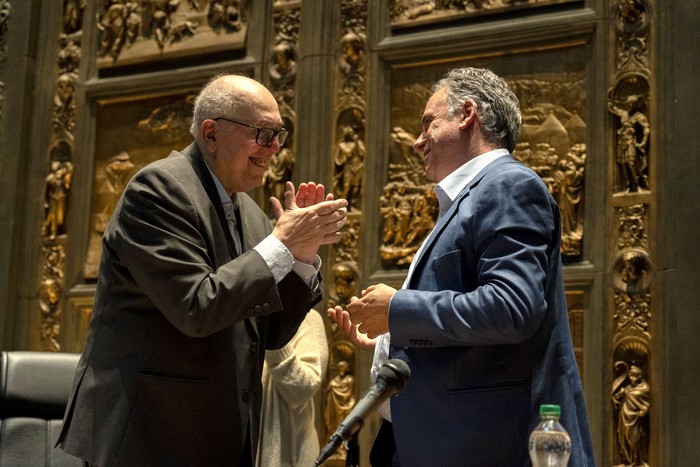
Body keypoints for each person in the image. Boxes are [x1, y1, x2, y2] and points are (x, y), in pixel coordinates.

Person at [56, 74, 348, 466]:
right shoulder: (159, 189)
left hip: (219, 437)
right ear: (211, 133)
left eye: (279, 134)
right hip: (148, 436)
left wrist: (301, 258)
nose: (275, 147)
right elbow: (197, 307)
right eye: (263, 133)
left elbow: (271, 334)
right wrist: (280, 246)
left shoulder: (252, 214)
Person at [329, 66, 595, 466]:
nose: (417, 142)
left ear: (467, 114)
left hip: (489, 448)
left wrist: (397, 309)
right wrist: (389, 338)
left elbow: (511, 308)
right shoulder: (468, 199)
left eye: (428, 124)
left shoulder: (508, 185)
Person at [256, 308, 329, 467]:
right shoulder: (233, 314)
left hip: (288, 457)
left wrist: (275, 340)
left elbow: (302, 389)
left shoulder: (307, 319)